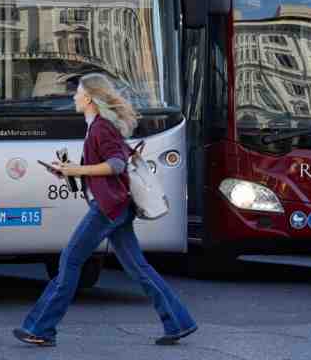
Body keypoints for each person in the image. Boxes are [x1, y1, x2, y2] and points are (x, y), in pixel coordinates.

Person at [13, 73, 197, 346]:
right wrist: (68, 172)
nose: (74, 97)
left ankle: (41, 329)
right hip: (116, 206)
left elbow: (116, 165)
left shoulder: (101, 128)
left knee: (70, 261)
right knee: (138, 267)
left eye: (78, 93)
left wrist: (76, 169)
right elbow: (103, 170)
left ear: (89, 98)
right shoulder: (97, 126)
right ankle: (179, 322)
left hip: (107, 209)